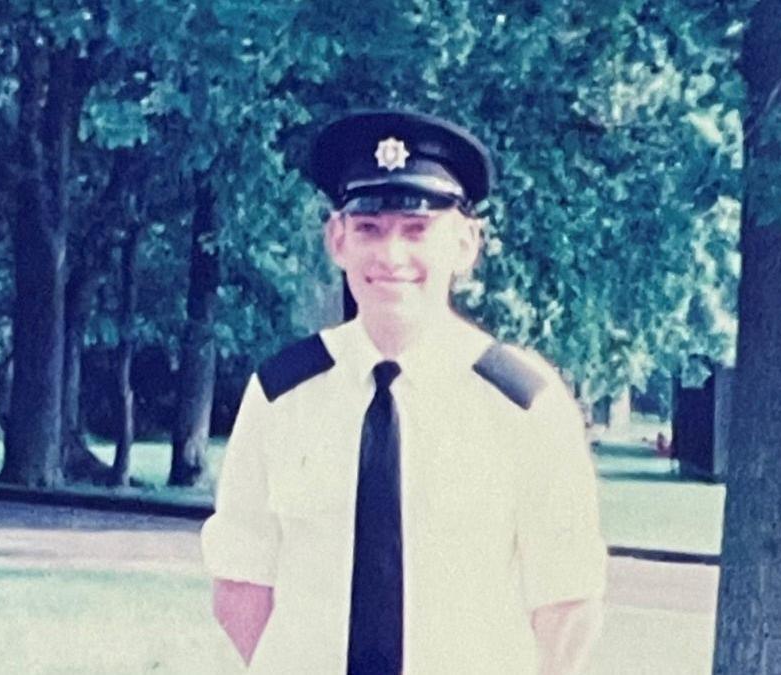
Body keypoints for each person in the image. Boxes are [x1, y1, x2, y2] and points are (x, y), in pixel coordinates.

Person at [201, 110, 608, 674]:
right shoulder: (281, 395)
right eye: (369, 229)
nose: (391, 257)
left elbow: (567, 601)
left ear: (465, 243)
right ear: (337, 239)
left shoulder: (523, 404)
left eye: (417, 230)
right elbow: (241, 584)